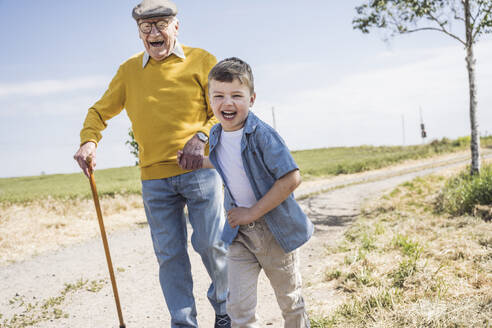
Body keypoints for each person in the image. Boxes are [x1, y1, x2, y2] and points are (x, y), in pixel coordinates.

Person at [73, 1, 230, 327]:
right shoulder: (129, 71)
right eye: (146, 27)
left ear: (176, 26)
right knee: (169, 257)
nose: (153, 32)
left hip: (200, 172)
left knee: (212, 245)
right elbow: (99, 112)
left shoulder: (203, 60)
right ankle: (183, 323)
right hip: (154, 181)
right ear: (139, 32)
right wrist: (89, 139)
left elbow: (223, 110)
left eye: (161, 25)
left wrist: (201, 137)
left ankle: (226, 312)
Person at [178, 57, 313, 328]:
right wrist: (197, 161)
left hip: (275, 231)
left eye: (236, 96)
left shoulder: (262, 135)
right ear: (210, 100)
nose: (227, 103)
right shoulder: (215, 135)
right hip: (239, 235)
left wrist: (252, 211)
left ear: (251, 99)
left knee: (290, 301)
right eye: (219, 96)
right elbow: (225, 161)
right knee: (238, 306)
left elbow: (291, 178)